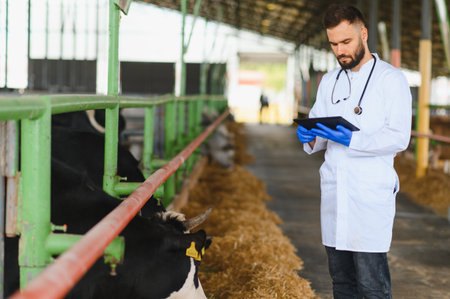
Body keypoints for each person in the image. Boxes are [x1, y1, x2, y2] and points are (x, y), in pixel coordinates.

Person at [296, 4, 411, 298]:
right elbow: (319, 137)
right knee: (342, 283)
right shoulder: (329, 82)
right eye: (334, 44)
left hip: (369, 199)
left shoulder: (391, 80)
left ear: (363, 34)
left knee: (372, 287)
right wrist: (309, 136)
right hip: (335, 196)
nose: (340, 51)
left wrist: (352, 139)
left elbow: (399, 137)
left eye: (346, 42)